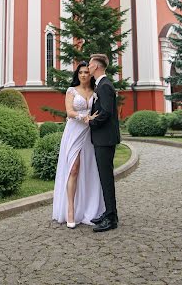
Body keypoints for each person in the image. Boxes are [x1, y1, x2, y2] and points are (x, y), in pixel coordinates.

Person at [52, 61, 105, 228]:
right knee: (73, 168)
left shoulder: (95, 91)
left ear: (90, 74)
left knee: (89, 169)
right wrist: (84, 117)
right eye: (80, 72)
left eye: (86, 72)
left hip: (89, 134)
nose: (83, 75)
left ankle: (88, 207)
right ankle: (70, 210)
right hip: (74, 131)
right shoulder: (72, 91)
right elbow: (69, 111)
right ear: (77, 75)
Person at [86, 53, 121, 232]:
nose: (88, 67)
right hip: (103, 138)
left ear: (97, 67)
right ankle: (108, 213)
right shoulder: (102, 85)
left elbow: (106, 112)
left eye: (90, 64)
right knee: (104, 177)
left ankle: (111, 218)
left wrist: (91, 121)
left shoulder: (105, 86)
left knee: (106, 179)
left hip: (105, 139)